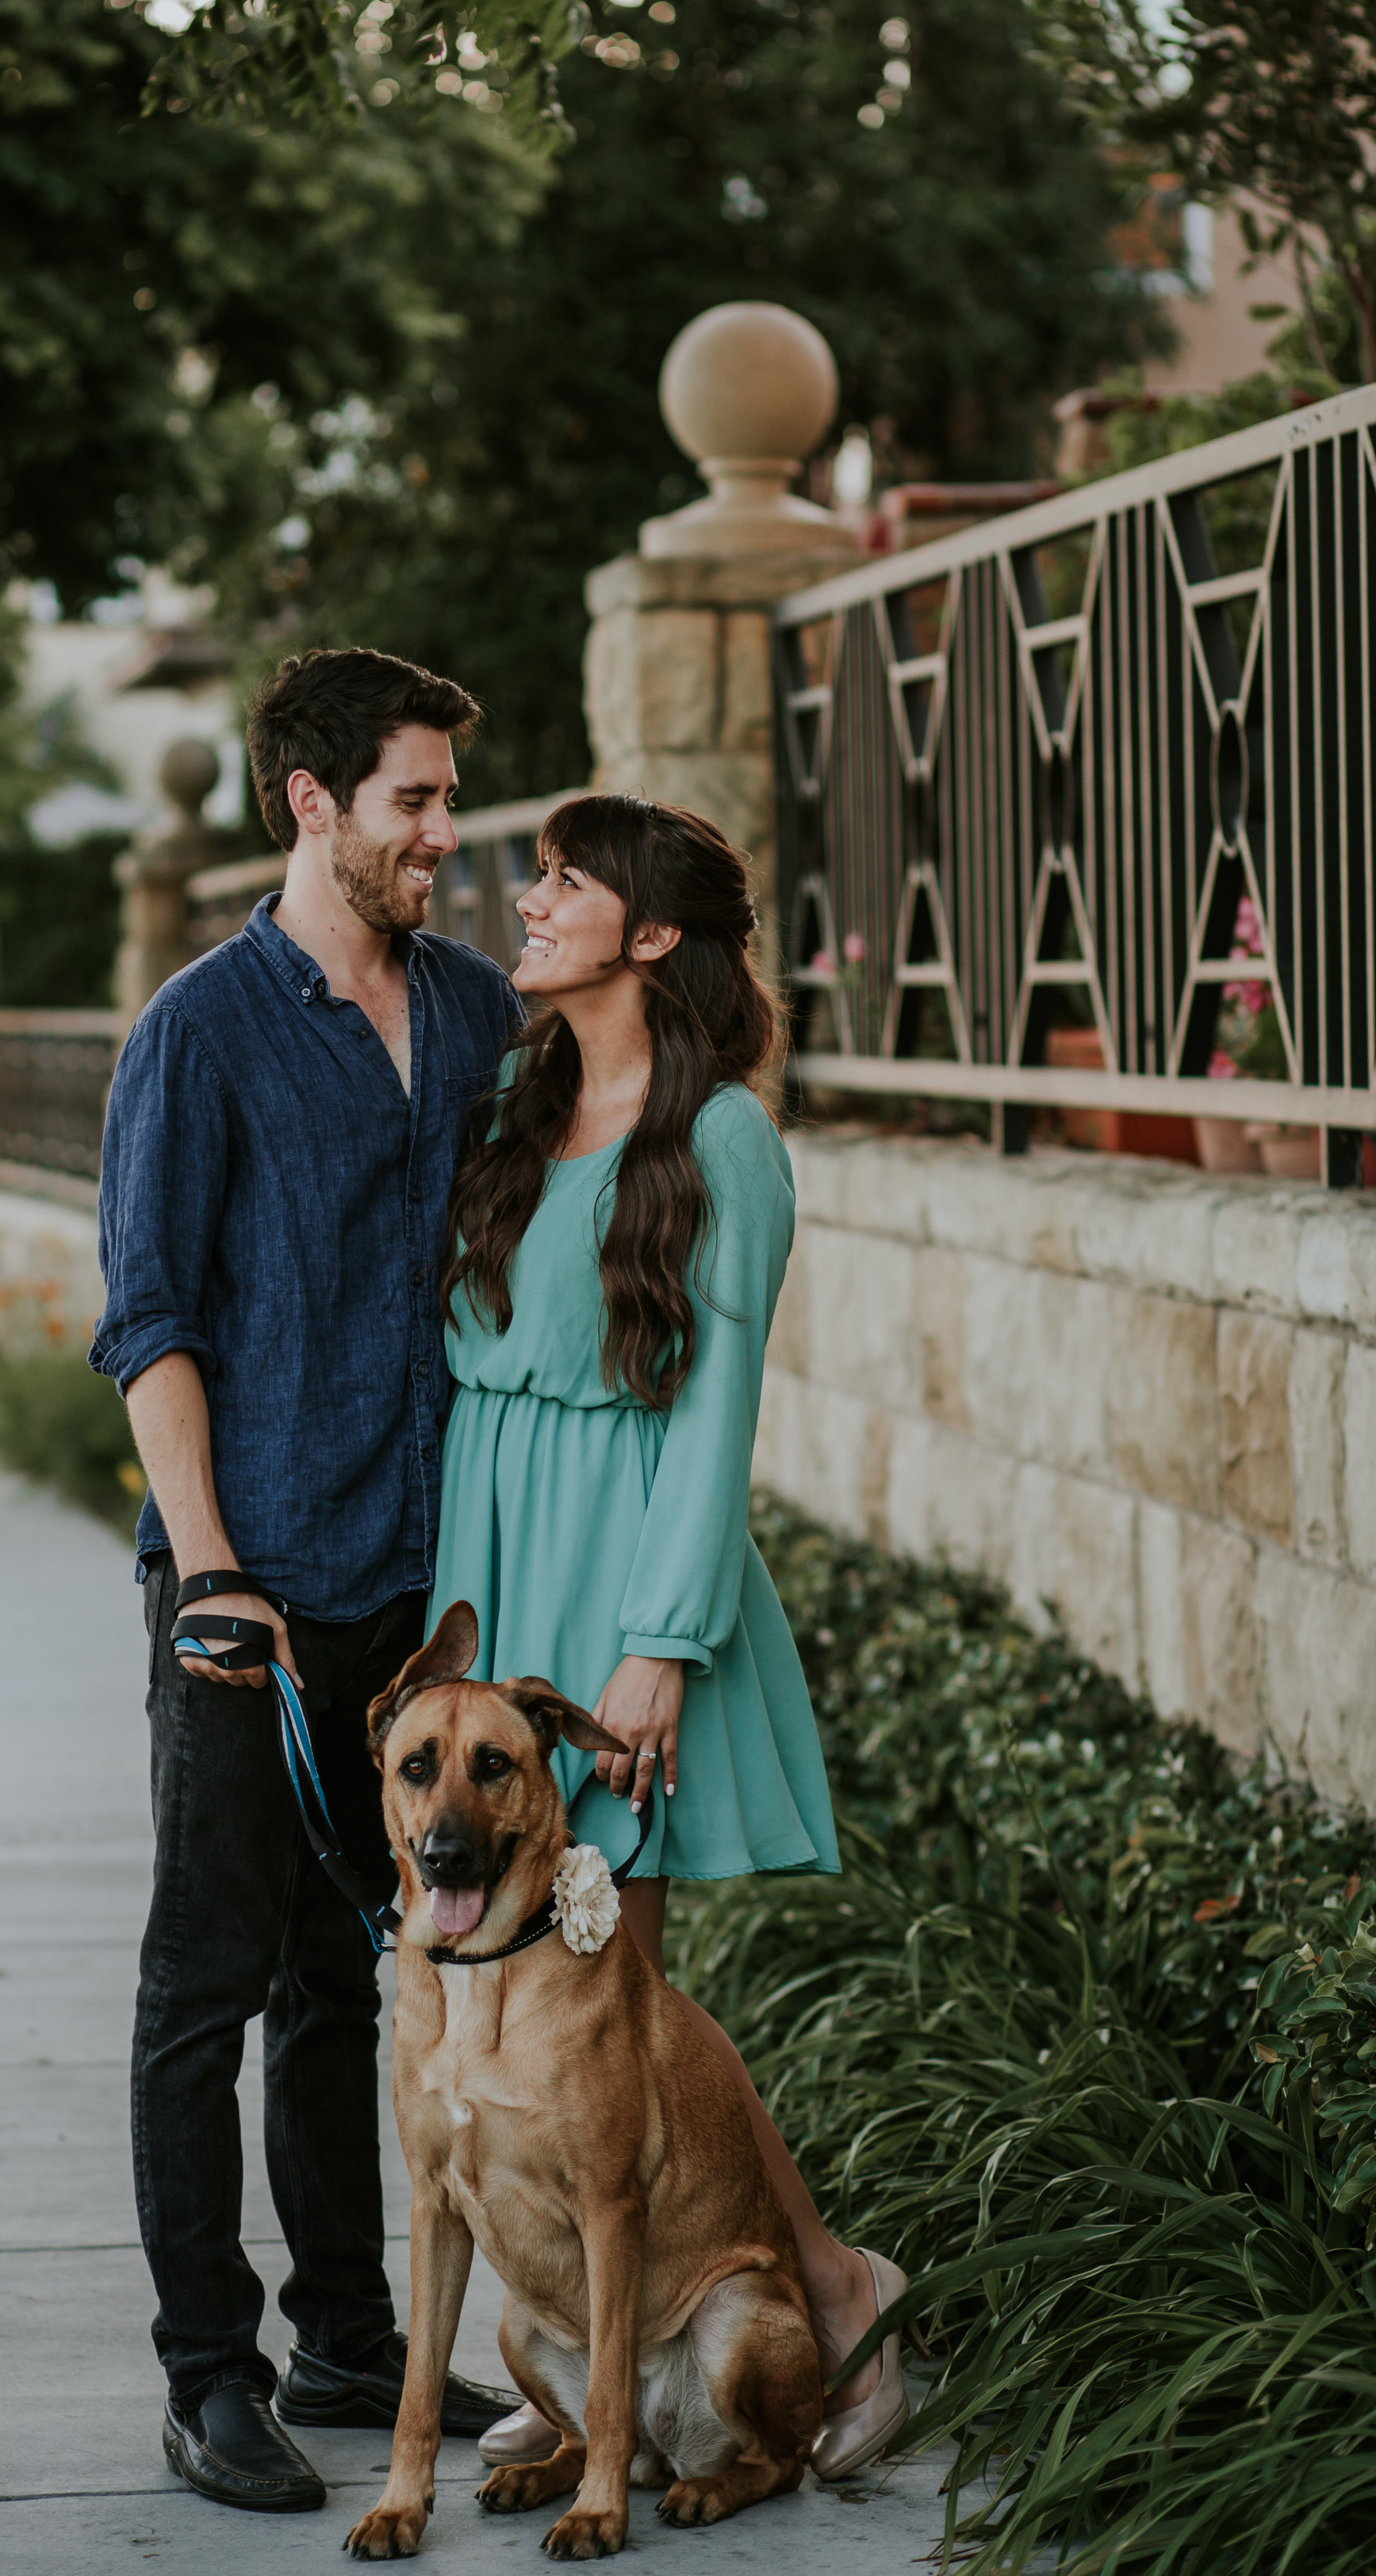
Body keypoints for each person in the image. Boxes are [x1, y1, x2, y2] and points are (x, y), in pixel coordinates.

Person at [430, 790, 912, 2480]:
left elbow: (711, 1421)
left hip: (624, 1587)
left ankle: (828, 2289)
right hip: (492, 1571)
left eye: (568, 881)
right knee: (525, 2000)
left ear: (649, 936)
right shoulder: (514, 1093)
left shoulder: (722, 1144)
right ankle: (599, 2343)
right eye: (537, 872)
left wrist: (658, 1647)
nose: (532, 896)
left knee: (603, 1996)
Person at [88, 647, 522, 2516]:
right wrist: (206, 1566)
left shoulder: (484, 1012)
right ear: (311, 805)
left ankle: (354, 2336)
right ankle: (210, 2375)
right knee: (205, 1983)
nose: (445, 832)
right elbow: (150, 1317)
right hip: (243, 1603)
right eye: (414, 799)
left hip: (414, 1612)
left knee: (356, 1983)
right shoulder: (197, 1030)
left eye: (447, 798)